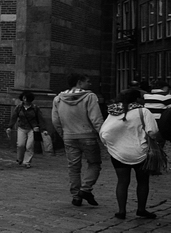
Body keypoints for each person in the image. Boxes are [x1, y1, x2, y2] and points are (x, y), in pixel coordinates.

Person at [100, 87, 159, 220]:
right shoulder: (143, 111)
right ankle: (141, 209)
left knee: (122, 182)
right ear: (137, 99)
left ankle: (121, 211)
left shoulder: (114, 112)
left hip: (118, 153)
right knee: (143, 181)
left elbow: (104, 132)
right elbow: (153, 132)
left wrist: (112, 145)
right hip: (141, 152)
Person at [51, 74, 105, 207]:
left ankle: (76, 196)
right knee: (94, 163)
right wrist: (104, 135)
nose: (90, 84)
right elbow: (96, 118)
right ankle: (85, 189)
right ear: (80, 82)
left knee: (74, 167)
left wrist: (63, 134)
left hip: (69, 136)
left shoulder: (58, 98)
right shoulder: (89, 97)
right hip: (88, 136)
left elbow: (55, 120)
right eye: (88, 81)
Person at [8, 90, 42, 168]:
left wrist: (42, 128)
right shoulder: (19, 107)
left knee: (29, 146)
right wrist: (10, 126)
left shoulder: (35, 108)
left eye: (26, 98)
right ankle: (19, 158)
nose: (24, 99)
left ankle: (27, 162)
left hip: (32, 129)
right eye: (23, 98)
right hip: (21, 127)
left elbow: (40, 119)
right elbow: (14, 117)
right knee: (20, 144)